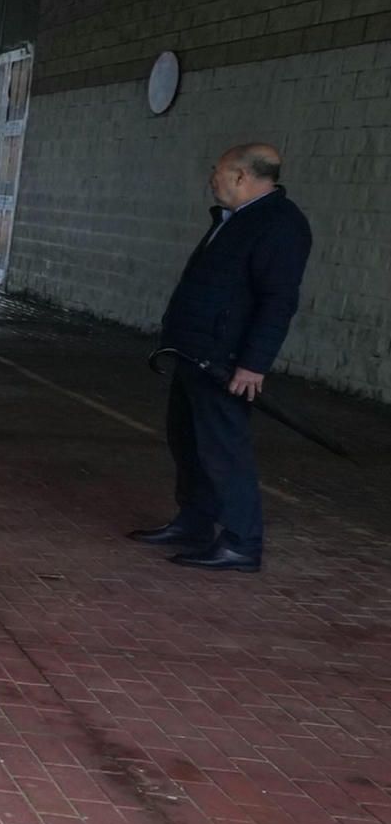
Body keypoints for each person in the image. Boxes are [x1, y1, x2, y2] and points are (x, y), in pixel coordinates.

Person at [128, 142, 312, 573]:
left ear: (242, 176)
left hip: (225, 359)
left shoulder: (280, 224)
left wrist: (253, 363)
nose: (212, 178)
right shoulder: (235, 219)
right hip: (193, 352)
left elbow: (278, 301)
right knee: (188, 441)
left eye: (218, 170)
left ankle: (241, 542)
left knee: (224, 450)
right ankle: (194, 521)